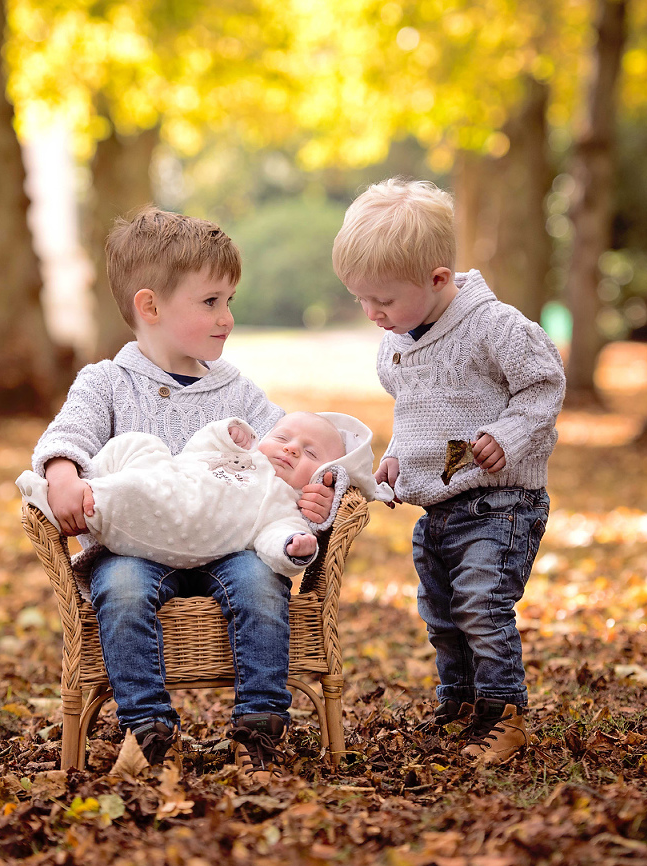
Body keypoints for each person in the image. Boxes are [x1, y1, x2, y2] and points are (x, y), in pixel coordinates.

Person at [29, 207, 339, 783]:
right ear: (150, 307)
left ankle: (260, 718)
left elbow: (294, 451)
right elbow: (65, 436)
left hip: (227, 544)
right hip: (135, 547)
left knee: (261, 582)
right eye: (210, 302)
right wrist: (64, 473)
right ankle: (148, 726)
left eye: (229, 301)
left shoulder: (237, 390)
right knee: (119, 589)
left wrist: (317, 494)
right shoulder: (106, 382)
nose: (226, 317)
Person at [332, 178, 565, 765]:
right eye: (361, 299)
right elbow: (420, 416)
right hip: (440, 506)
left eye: (382, 299)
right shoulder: (397, 341)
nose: (371, 313)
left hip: (500, 503)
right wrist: (397, 458)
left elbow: (544, 383)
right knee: (440, 610)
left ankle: (503, 712)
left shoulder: (495, 327)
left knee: (481, 603)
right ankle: (459, 701)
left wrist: (507, 436)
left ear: (438, 279)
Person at [79, 413, 346, 575]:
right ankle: (85, 483)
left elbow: (275, 538)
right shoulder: (245, 453)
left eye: (310, 453)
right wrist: (225, 434)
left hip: (183, 518)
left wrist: (293, 547)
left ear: (320, 474)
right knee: (137, 444)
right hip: (173, 475)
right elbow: (197, 450)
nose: (291, 449)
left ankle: (92, 502)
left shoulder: (283, 504)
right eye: (281, 438)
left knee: (136, 491)